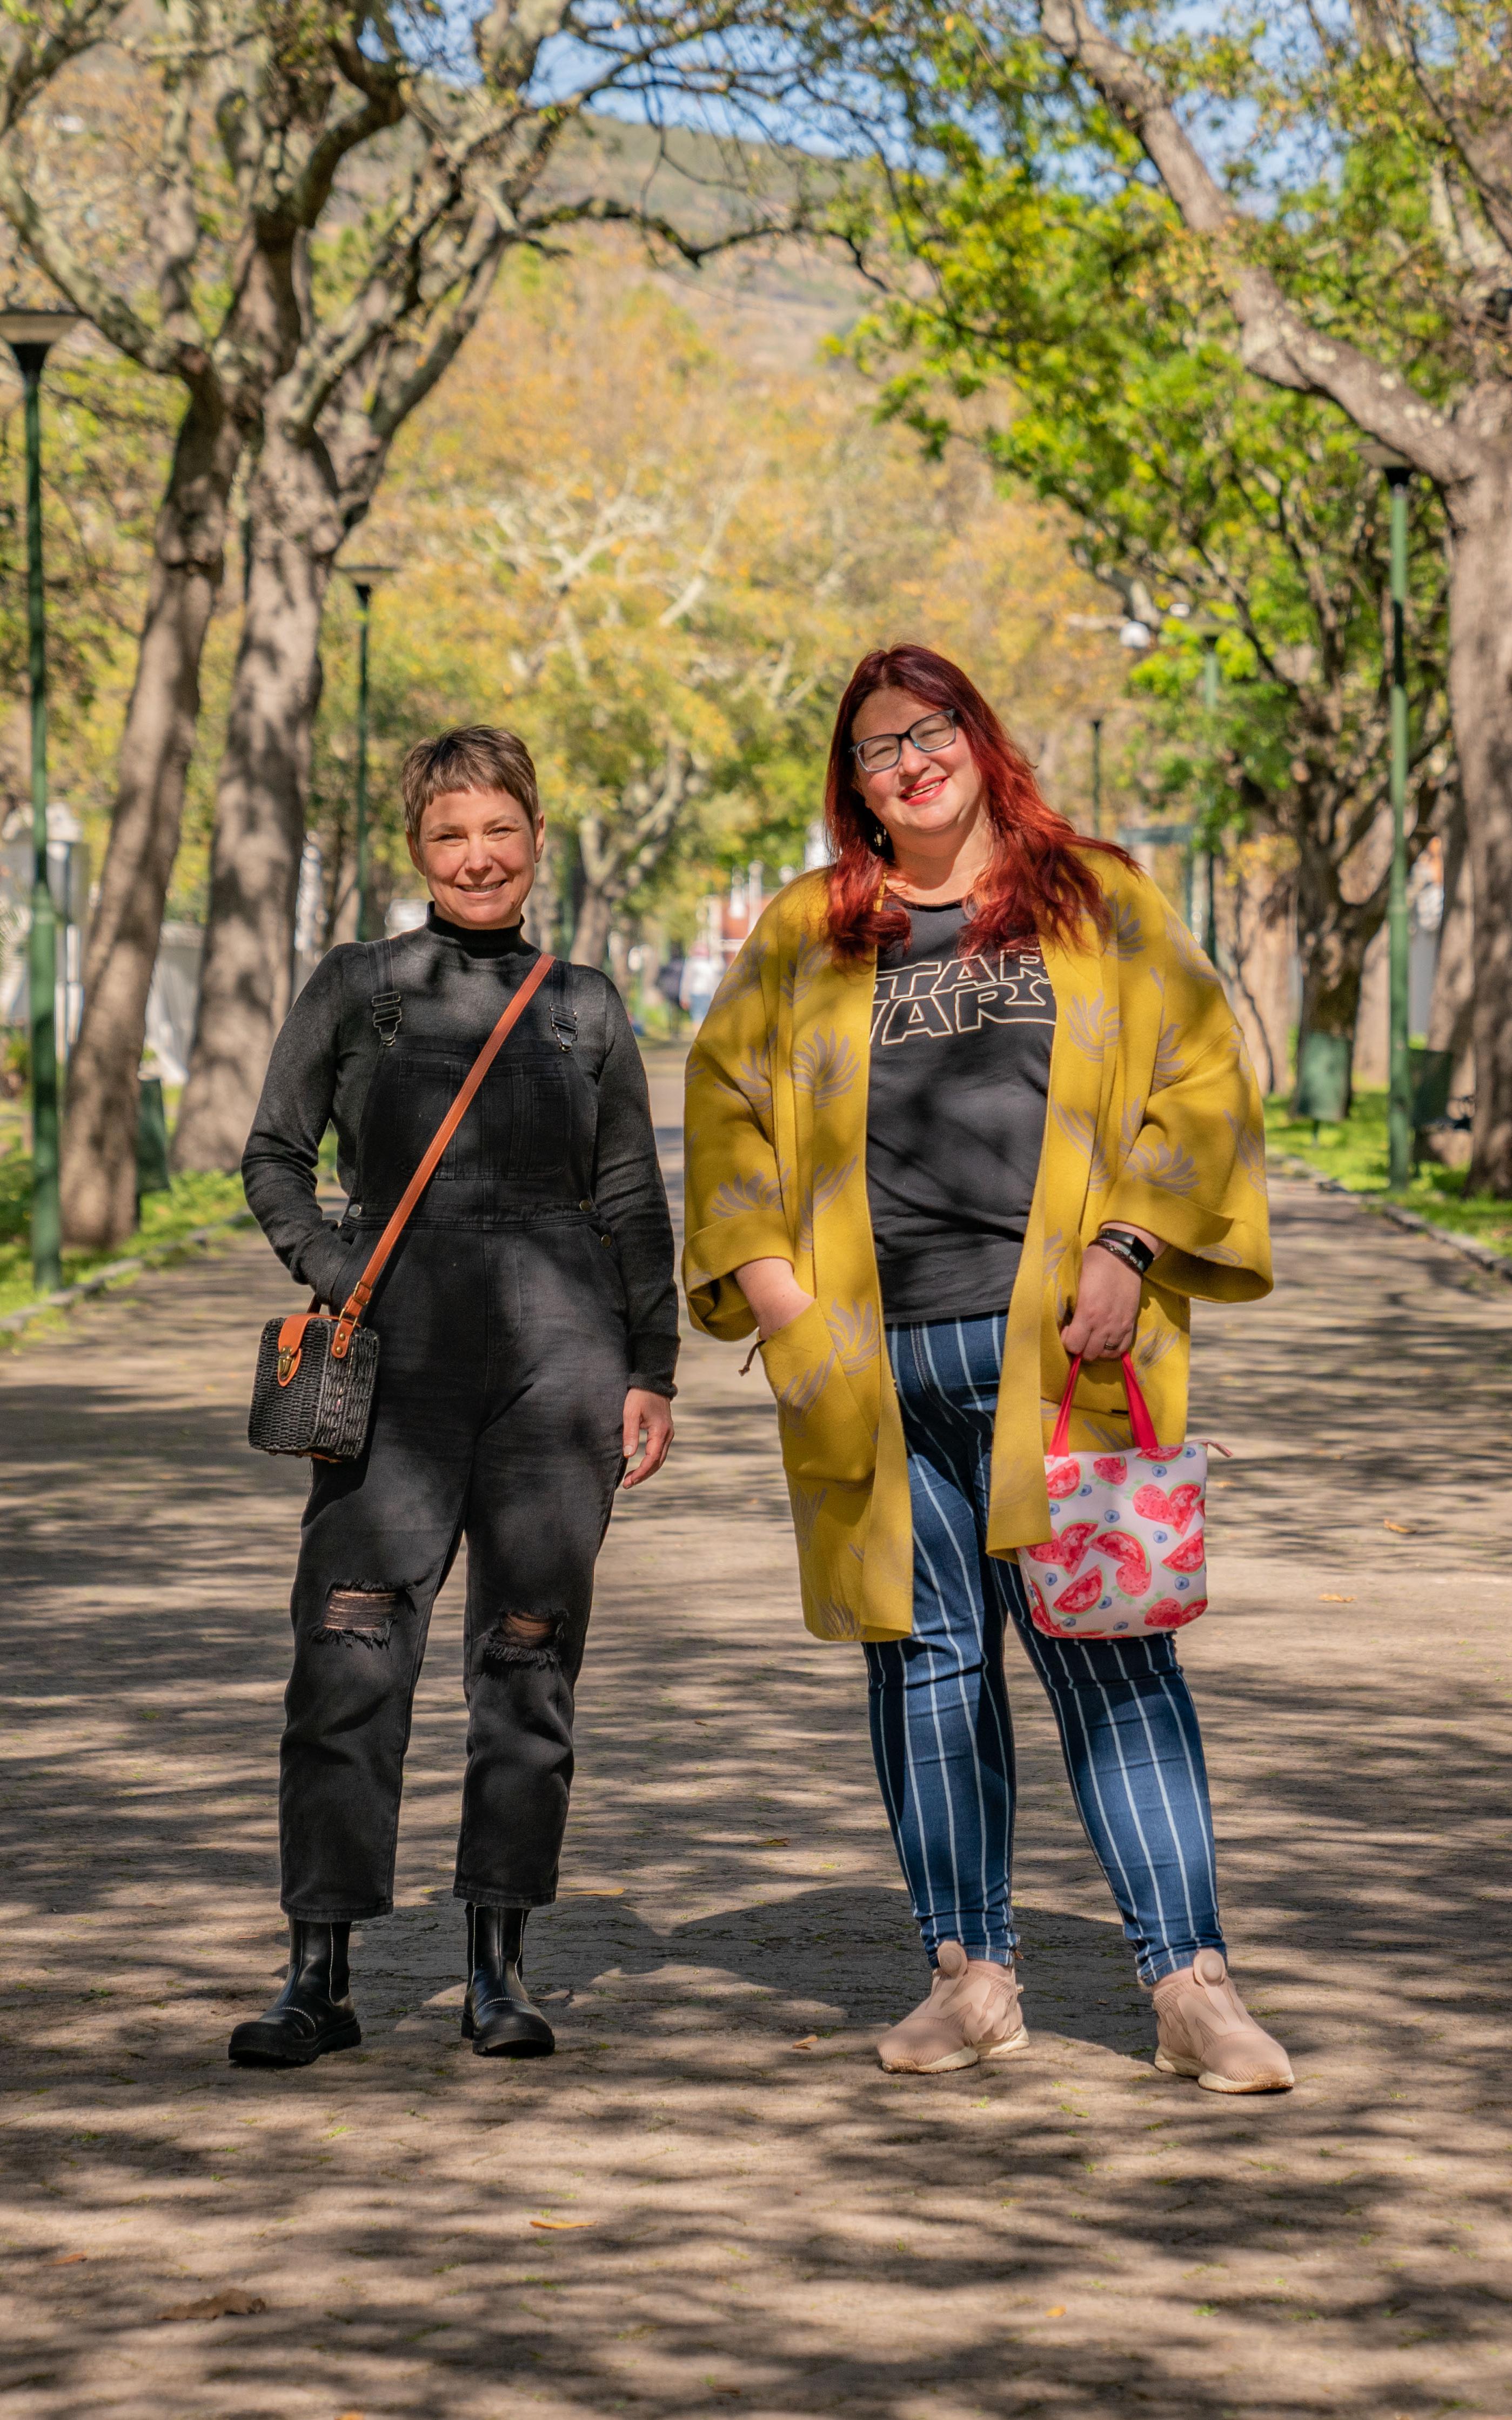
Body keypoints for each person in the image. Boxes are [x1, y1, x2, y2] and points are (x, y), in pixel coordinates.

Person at [683, 644, 1292, 2091]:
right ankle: (967, 1974)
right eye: (878, 749)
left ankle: (1186, 1981)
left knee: (1110, 1661)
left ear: (978, 735)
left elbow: (1197, 1080)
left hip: (1062, 1358)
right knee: (928, 1671)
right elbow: (725, 1120)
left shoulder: (1095, 900)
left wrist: (1129, 1243)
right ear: (853, 788)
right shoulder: (805, 931)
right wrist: (781, 1311)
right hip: (870, 1367)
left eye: (932, 728)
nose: (912, 761)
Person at [233, 726, 677, 2069]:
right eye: (449, 836)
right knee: (349, 1653)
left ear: (536, 836)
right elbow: (271, 1153)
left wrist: (650, 1367)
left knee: (528, 1658)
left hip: (562, 1367)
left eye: (500, 830)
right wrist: (337, 1264)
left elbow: (630, 1201)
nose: (477, 856)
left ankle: (499, 1963)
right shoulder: (359, 986)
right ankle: (321, 1970)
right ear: (416, 850)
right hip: (397, 1363)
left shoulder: (587, 1004)